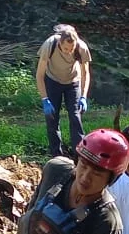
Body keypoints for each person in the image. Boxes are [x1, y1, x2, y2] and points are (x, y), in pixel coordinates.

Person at [35, 24, 92, 158]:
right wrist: (45, 99)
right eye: (66, 48)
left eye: (71, 49)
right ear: (60, 42)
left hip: (73, 82)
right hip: (53, 80)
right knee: (52, 118)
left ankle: (79, 155)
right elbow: (39, 75)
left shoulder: (81, 48)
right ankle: (56, 154)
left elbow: (85, 73)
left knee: (75, 116)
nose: (69, 52)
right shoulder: (49, 45)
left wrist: (83, 96)